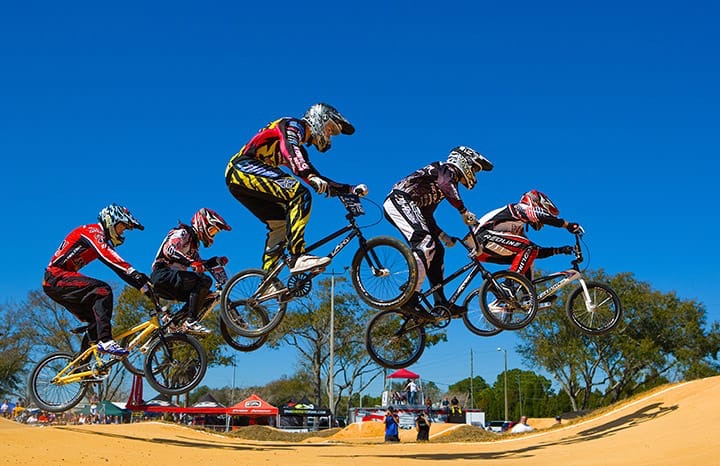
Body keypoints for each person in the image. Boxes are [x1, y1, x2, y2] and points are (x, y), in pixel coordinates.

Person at [225, 103, 364, 277]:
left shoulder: (300, 152)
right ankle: (298, 256)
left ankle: (267, 281)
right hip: (242, 167)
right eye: (329, 129)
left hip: (241, 181)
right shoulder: (292, 125)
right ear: (319, 120)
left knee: (280, 224)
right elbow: (290, 149)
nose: (329, 136)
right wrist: (308, 175)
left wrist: (349, 189)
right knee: (300, 194)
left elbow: (315, 176)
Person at [383, 146, 493, 314]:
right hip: (399, 199)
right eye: (474, 168)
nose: (474, 173)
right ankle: (410, 295)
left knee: (437, 250)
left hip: (409, 206)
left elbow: (426, 215)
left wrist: (443, 235)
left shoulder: (442, 188)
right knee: (424, 242)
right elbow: (445, 183)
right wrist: (463, 211)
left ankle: (440, 303)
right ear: (464, 160)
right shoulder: (446, 169)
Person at [43, 204, 150, 356]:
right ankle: (106, 341)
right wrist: (133, 271)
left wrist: (143, 288)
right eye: (122, 227)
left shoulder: (99, 241)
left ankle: (82, 364)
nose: (123, 231)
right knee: (103, 290)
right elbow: (109, 255)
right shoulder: (93, 231)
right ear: (111, 221)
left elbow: (117, 268)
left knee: (97, 320)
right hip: (56, 277)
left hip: (58, 283)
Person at [469, 190, 582, 302]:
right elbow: (541, 216)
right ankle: (508, 284)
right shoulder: (519, 208)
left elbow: (536, 252)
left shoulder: (518, 226)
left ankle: (527, 296)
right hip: (481, 238)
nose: (541, 224)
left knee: (528, 255)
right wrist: (568, 225)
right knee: (529, 248)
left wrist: (559, 250)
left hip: (483, 251)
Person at [151, 208, 231, 335]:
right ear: (202, 224)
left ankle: (173, 322)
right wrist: (191, 263)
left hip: (171, 282)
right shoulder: (183, 233)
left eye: (215, 232)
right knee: (204, 280)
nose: (212, 235)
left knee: (205, 297)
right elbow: (169, 250)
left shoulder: (194, 245)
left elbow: (199, 264)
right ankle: (191, 322)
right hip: (162, 274)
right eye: (212, 230)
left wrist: (216, 261)